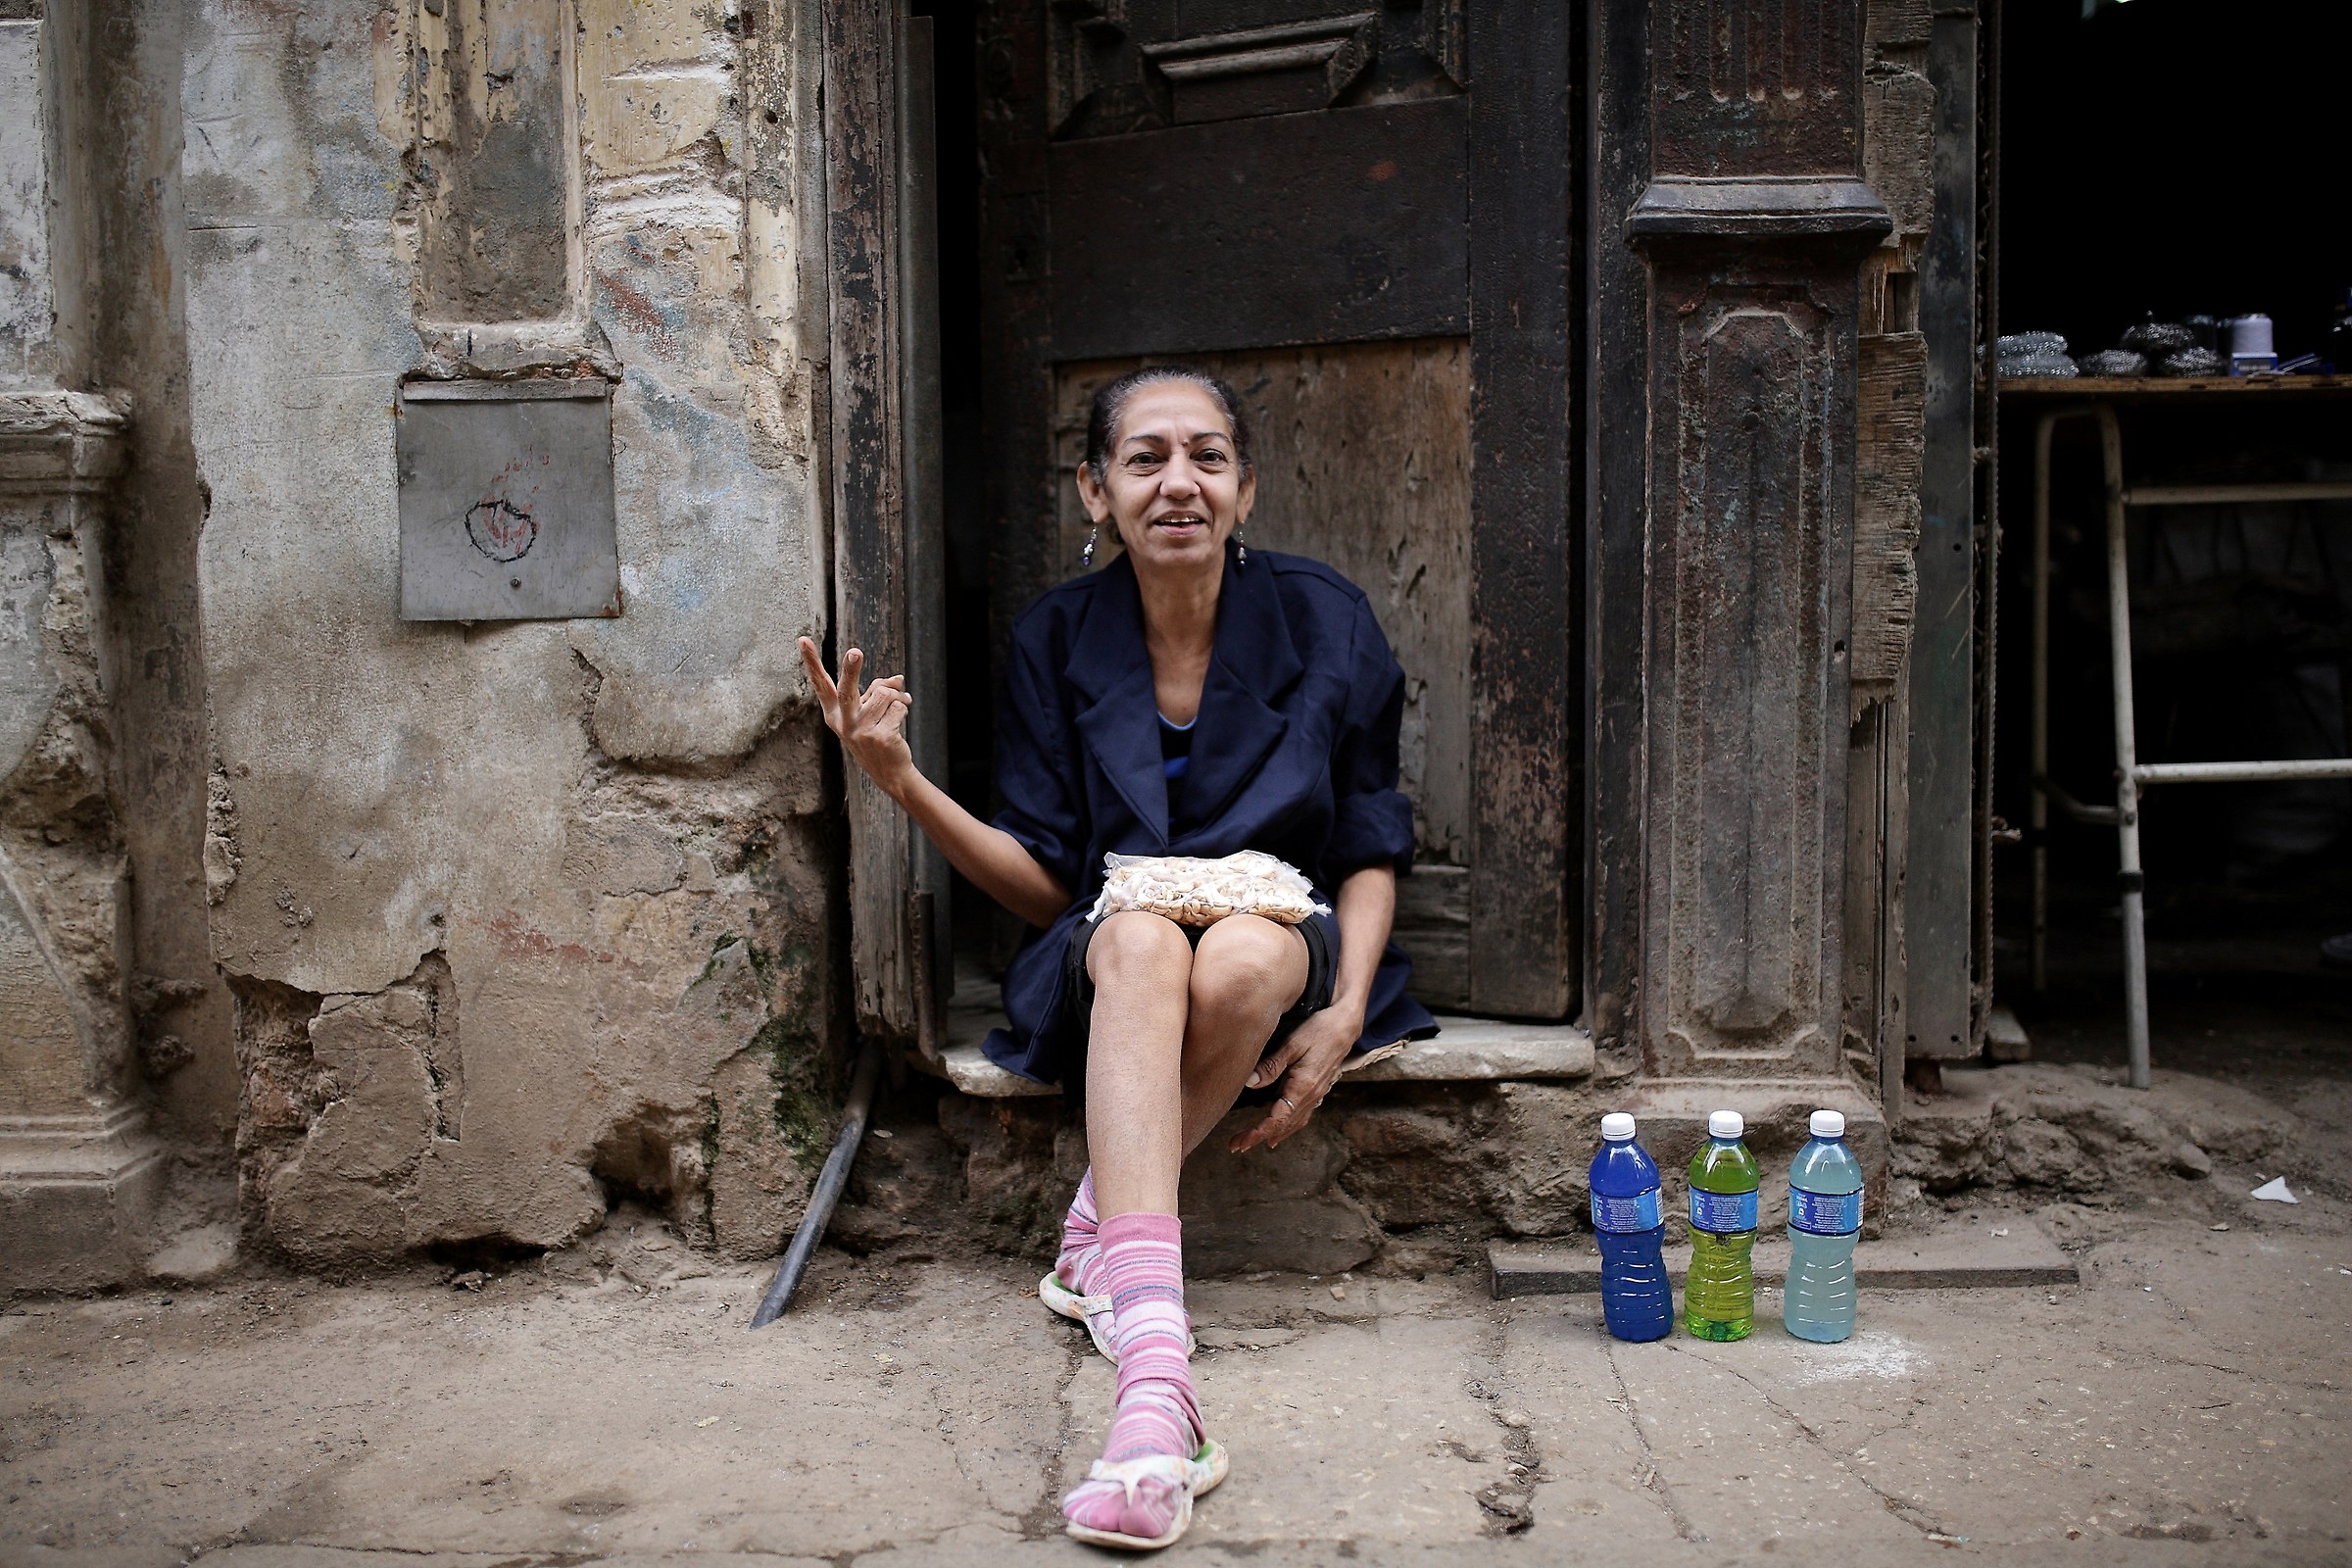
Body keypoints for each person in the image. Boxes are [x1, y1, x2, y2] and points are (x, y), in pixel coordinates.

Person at [798, 366, 1433, 1550]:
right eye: (1144, 459)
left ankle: (1102, 1238)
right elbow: (1047, 879)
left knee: (1242, 959)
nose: (1177, 483)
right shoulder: (1057, 636)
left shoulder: (1327, 618)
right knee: (1142, 934)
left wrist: (1347, 1011)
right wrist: (902, 783)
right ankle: (1157, 1383)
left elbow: (1367, 839)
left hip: (1281, 938)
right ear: (1096, 491)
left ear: (1245, 488)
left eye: (1206, 457)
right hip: (1110, 956)